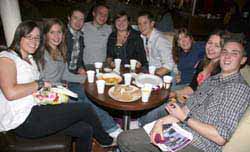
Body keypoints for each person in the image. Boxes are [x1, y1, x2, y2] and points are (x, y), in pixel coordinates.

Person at [117, 37, 250, 152]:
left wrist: (184, 118)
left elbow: (221, 137)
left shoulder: (238, 88)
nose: (227, 56)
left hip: (199, 145)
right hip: (181, 131)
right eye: (225, 52)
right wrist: (161, 122)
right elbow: (188, 107)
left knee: (127, 141)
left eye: (234, 53)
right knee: (124, 138)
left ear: (243, 60)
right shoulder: (211, 79)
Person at [0, 20, 113, 152]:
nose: (34, 41)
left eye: (37, 37)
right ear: (19, 36)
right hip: (24, 120)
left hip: (37, 108)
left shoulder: (30, 60)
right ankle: (107, 141)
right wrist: (40, 84)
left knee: (85, 130)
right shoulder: (7, 58)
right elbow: (11, 93)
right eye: (29, 37)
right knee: (85, 108)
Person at [41, 18, 122, 139]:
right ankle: (111, 130)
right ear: (45, 34)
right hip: (52, 96)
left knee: (90, 92)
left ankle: (109, 125)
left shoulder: (59, 50)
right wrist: (56, 87)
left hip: (63, 86)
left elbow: (65, 74)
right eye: (52, 32)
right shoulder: (42, 54)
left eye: (59, 32)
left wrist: (89, 78)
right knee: (87, 104)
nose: (56, 36)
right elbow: (40, 82)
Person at [138, 30, 225, 126]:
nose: (211, 48)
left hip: (194, 105)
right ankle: (141, 121)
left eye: (217, 45)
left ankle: (141, 124)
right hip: (188, 92)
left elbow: (208, 98)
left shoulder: (221, 70)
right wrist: (175, 93)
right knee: (160, 95)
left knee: (161, 108)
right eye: (210, 43)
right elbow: (192, 87)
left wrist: (186, 98)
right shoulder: (203, 63)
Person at [137, 11, 174, 76]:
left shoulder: (160, 40)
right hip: (149, 69)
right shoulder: (143, 37)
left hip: (162, 73)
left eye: (145, 23)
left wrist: (151, 76)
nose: (142, 26)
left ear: (152, 23)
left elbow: (169, 65)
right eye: (139, 24)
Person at [83, 4, 112, 69]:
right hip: (87, 66)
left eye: (106, 15)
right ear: (94, 13)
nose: (103, 16)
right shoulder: (83, 27)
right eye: (100, 13)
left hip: (104, 66)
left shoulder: (109, 29)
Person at [66, 7, 86, 75]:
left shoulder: (80, 36)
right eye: (75, 18)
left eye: (81, 19)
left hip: (75, 74)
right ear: (69, 18)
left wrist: (81, 68)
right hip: (64, 76)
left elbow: (79, 57)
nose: (78, 22)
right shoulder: (61, 34)